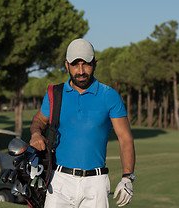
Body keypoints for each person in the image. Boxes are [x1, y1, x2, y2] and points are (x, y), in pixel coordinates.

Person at [29, 38, 136, 208]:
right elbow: (38, 120)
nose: (80, 71)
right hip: (59, 181)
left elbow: (125, 138)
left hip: (96, 183)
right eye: (75, 64)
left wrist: (127, 177)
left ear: (95, 63)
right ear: (66, 65)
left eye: (86, 64)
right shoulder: (55, 94)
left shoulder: (110, 96)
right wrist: (36, 133)